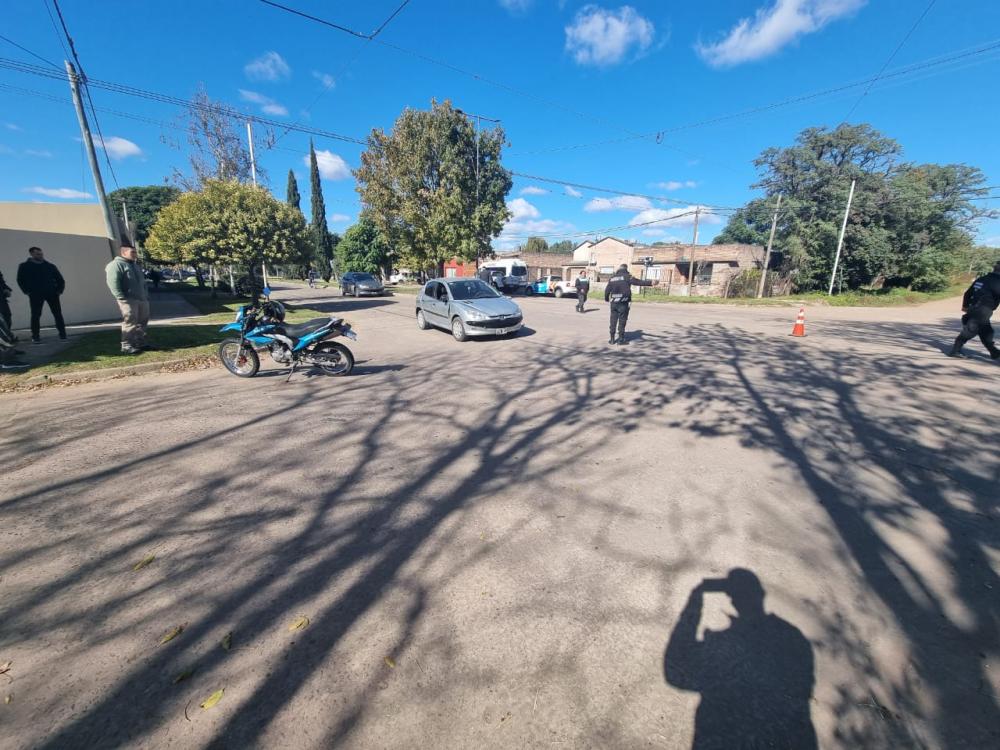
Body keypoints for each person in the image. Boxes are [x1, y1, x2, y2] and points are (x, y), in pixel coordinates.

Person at [664, 569, 818, 750]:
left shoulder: (721, 646)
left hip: (723, 740)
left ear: (731, 599)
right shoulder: (792, 637)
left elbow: (676, 669)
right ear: (761, 594)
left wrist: (694, 602)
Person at [105, 238, 153, 355]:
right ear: (124, 252)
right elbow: (113, 282)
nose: (135, 255)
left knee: (142, 322)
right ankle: (126, 345)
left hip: (142, 299)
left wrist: (145, 295)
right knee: (130, 322)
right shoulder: (116, 265)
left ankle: (140, 342)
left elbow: (143, 282)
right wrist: (121, 297)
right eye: (133, 252)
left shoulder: (135, 265)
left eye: (135, 252)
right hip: (128, 300)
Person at [948, 260, 1000, 360]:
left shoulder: (982, 279)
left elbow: (967, 293)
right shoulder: (997, 281)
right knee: (971, 330)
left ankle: (994, 352)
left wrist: (965, 307)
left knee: (987, 332)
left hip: (973, 308)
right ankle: (955, 350)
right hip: (983, 310)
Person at [16, 246, 66, 344]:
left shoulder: (50, 266)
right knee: (35, 315)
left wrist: (59, 291)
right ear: (32, 254)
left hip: (52, 294)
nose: (40, 255)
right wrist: (27, 291)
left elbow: (60, 280)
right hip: (35, 294)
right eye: (38, 254)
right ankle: (35, 336)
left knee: (57, 314)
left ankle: (63, 334)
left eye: (41, 254)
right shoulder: (24, 266)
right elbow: (20, 280)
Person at [603, 263, 653, 345]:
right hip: (623, 303)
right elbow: (638, 282)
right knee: (622, 321)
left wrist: (606, 298)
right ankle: (621, 339)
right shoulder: (627, 277)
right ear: (626, 269)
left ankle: (612, 339)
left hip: (614, 303)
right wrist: (650, 283)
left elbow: (607, 290)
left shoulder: (612, 278)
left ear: (619, 269)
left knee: (613, 320)